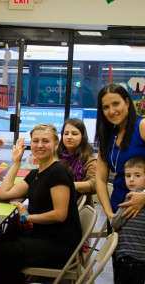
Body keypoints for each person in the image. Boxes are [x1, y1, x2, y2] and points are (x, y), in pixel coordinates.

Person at [0, 124, 82, 284]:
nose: (39, 145)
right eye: (35, 141)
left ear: (56, 144)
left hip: (59, 243)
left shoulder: (58, 172)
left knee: (1, 251)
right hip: (43, 234)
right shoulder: (36, 172)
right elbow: (4, 193)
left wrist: (28, 217)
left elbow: (60, 215)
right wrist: (16, 162)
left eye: (45, 141)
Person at [95, 83, 145, 222]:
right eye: (106, 107)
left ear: (127, 103)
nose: (111, 111)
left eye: (116, 103)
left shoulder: (141, 126)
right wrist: (109, 213)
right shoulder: (107, 136)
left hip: (140, 210)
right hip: (117, 209)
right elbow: (100, 178)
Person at [110, 157, 145, 284]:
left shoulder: (130, 197)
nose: (131, 179)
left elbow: (115, 223)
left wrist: (114, 218)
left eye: (137, 175)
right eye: (128, 175)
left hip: (128, 255)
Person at [57, 118, 97, 205]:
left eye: (74, 134)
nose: (69, 137)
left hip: (78, 206)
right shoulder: (56, 155)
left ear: (82, 137)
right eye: (66, 133)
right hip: (56, 201)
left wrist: (68, 185)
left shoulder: (89, 159)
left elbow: (95, 184)